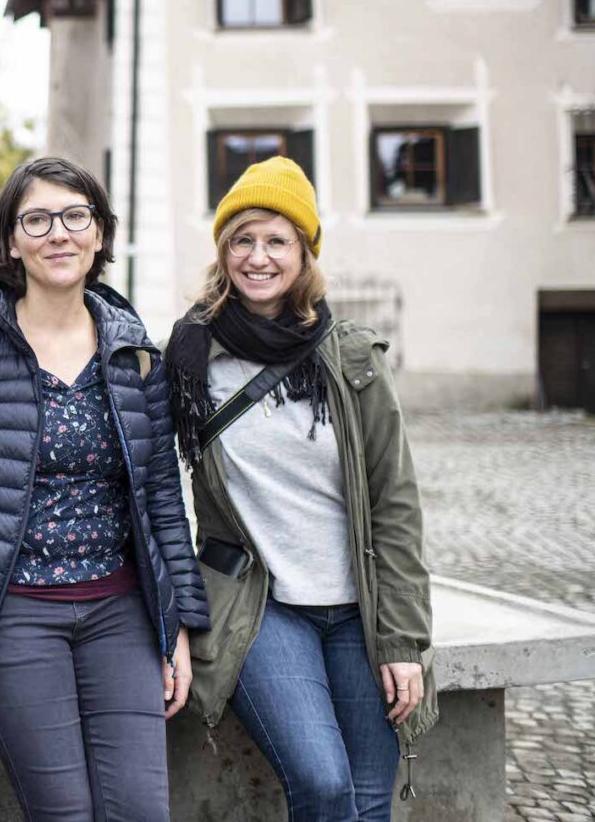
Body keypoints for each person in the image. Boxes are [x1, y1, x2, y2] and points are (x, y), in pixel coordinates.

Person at [0, 156, 209, 821]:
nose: (58, 233)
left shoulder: (135, 356)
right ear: (11, 241)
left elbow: (161, 500)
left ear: (99, 234)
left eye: (75, 216)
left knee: (141, 812)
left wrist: (177, 622)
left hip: (120, 611)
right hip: (11, 615)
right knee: (63, 813)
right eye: (36, 220)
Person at [166, 157, 438, 822]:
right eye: (242, 239)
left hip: (359, 607)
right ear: (223, 250)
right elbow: (151, 484)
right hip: (261, 606)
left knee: (369, 802)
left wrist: (404, 642)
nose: (258, 257)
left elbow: (395, 503)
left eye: (276, 241)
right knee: (322, 783)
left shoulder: (351, 356)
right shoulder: (192, 357)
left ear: (304, 253)